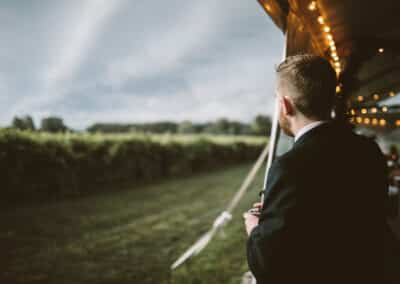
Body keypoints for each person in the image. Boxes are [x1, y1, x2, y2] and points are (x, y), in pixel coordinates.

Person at [243, 54, 395, 284]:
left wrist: (255, 229)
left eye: (277, 99)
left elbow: (271, 264)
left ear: (285, 105)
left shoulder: (289, 166)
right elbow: (346, 215)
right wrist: (278, 209)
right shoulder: (368, 150)